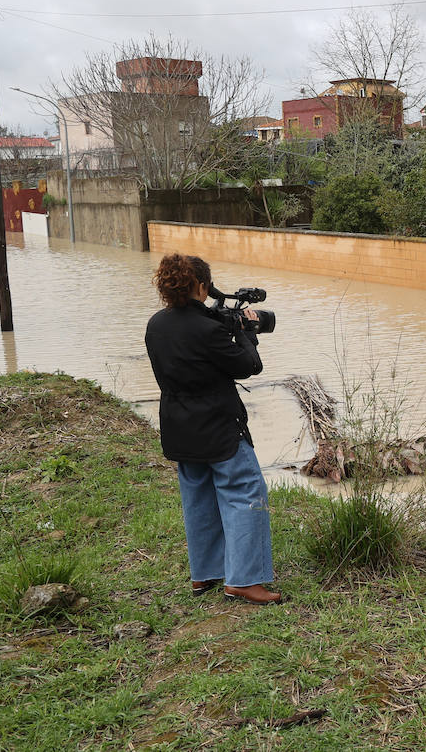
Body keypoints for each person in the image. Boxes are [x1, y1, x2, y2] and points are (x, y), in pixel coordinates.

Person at [144, 254, 283, 605]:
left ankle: (204, 574)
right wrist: (244, 333)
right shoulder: (209, 329)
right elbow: (249, 365)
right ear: (202, 286)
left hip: (178, 425)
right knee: (245, 492)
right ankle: (245, 581)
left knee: (199, 500)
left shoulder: (156, 325)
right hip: (219, 426)